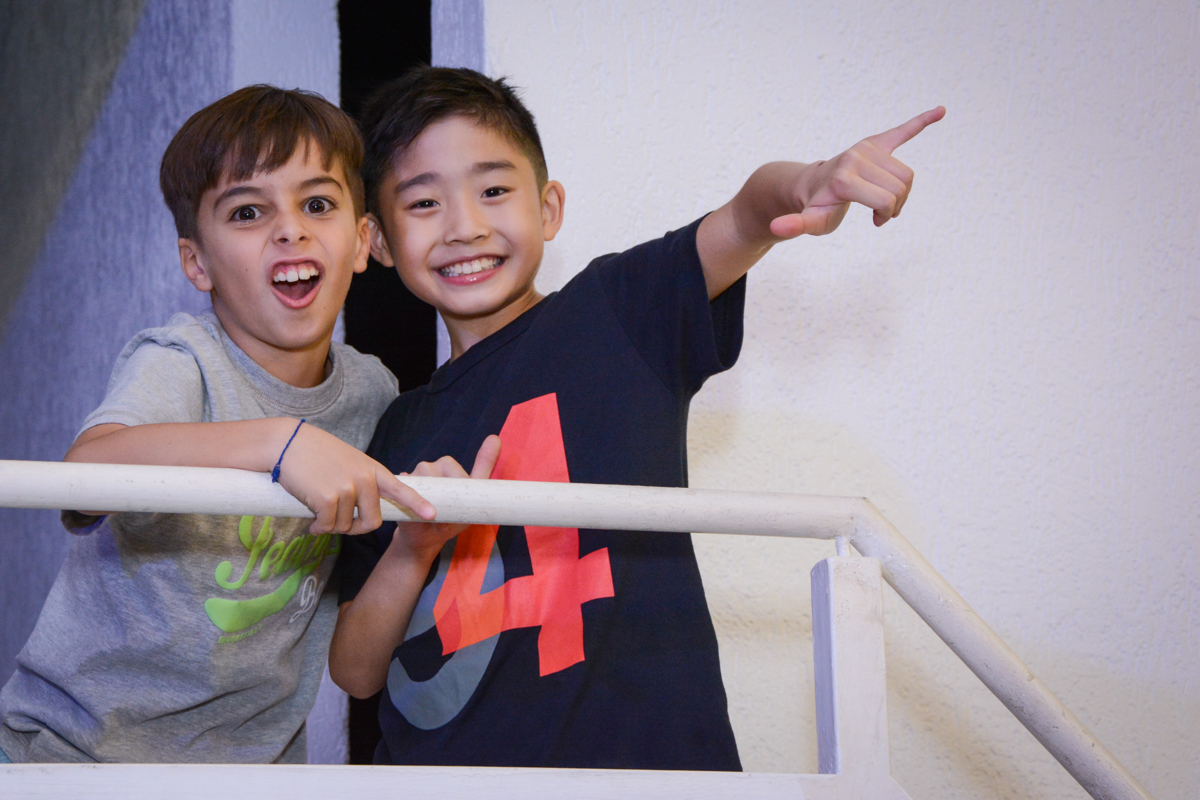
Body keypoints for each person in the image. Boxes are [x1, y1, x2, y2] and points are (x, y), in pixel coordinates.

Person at [329, 65, 942, 770]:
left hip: (647, 770)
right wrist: (413, 551)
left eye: (493, 190)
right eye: (423, 203)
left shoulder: (616, 312)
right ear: (378, 240)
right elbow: (355, 671)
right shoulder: (395, 428)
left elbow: (745, 216)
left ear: (548, 208)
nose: (465, 227)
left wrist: (806, 183)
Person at [0, 85, 493, 764]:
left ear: (362, 241)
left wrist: (419, 539)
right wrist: (276, 441)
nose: (290, 229)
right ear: (197, 263)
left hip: (250, 770)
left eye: (317, 204)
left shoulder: (373, 393)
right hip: (71, 754)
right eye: (248, 212)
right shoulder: (183, 360)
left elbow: (359, 657)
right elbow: (85, 473)